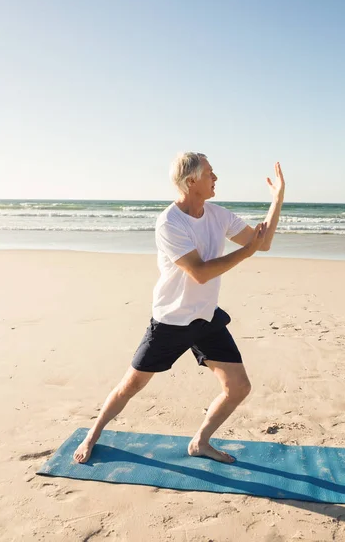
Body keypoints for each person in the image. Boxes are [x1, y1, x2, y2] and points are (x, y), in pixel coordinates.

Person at [74, 152, 285, 464]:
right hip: (171, 320)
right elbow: (199, 273)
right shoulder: (169, 223)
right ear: (191, 181)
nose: (216, 179)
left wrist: (277, 199)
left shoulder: (217, 214)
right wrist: (246, 253)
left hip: (206, 317)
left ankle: (201, 441)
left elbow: (262, 242)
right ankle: (92, 435)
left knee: (238, 387)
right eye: (210, 174)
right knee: (131, 385)